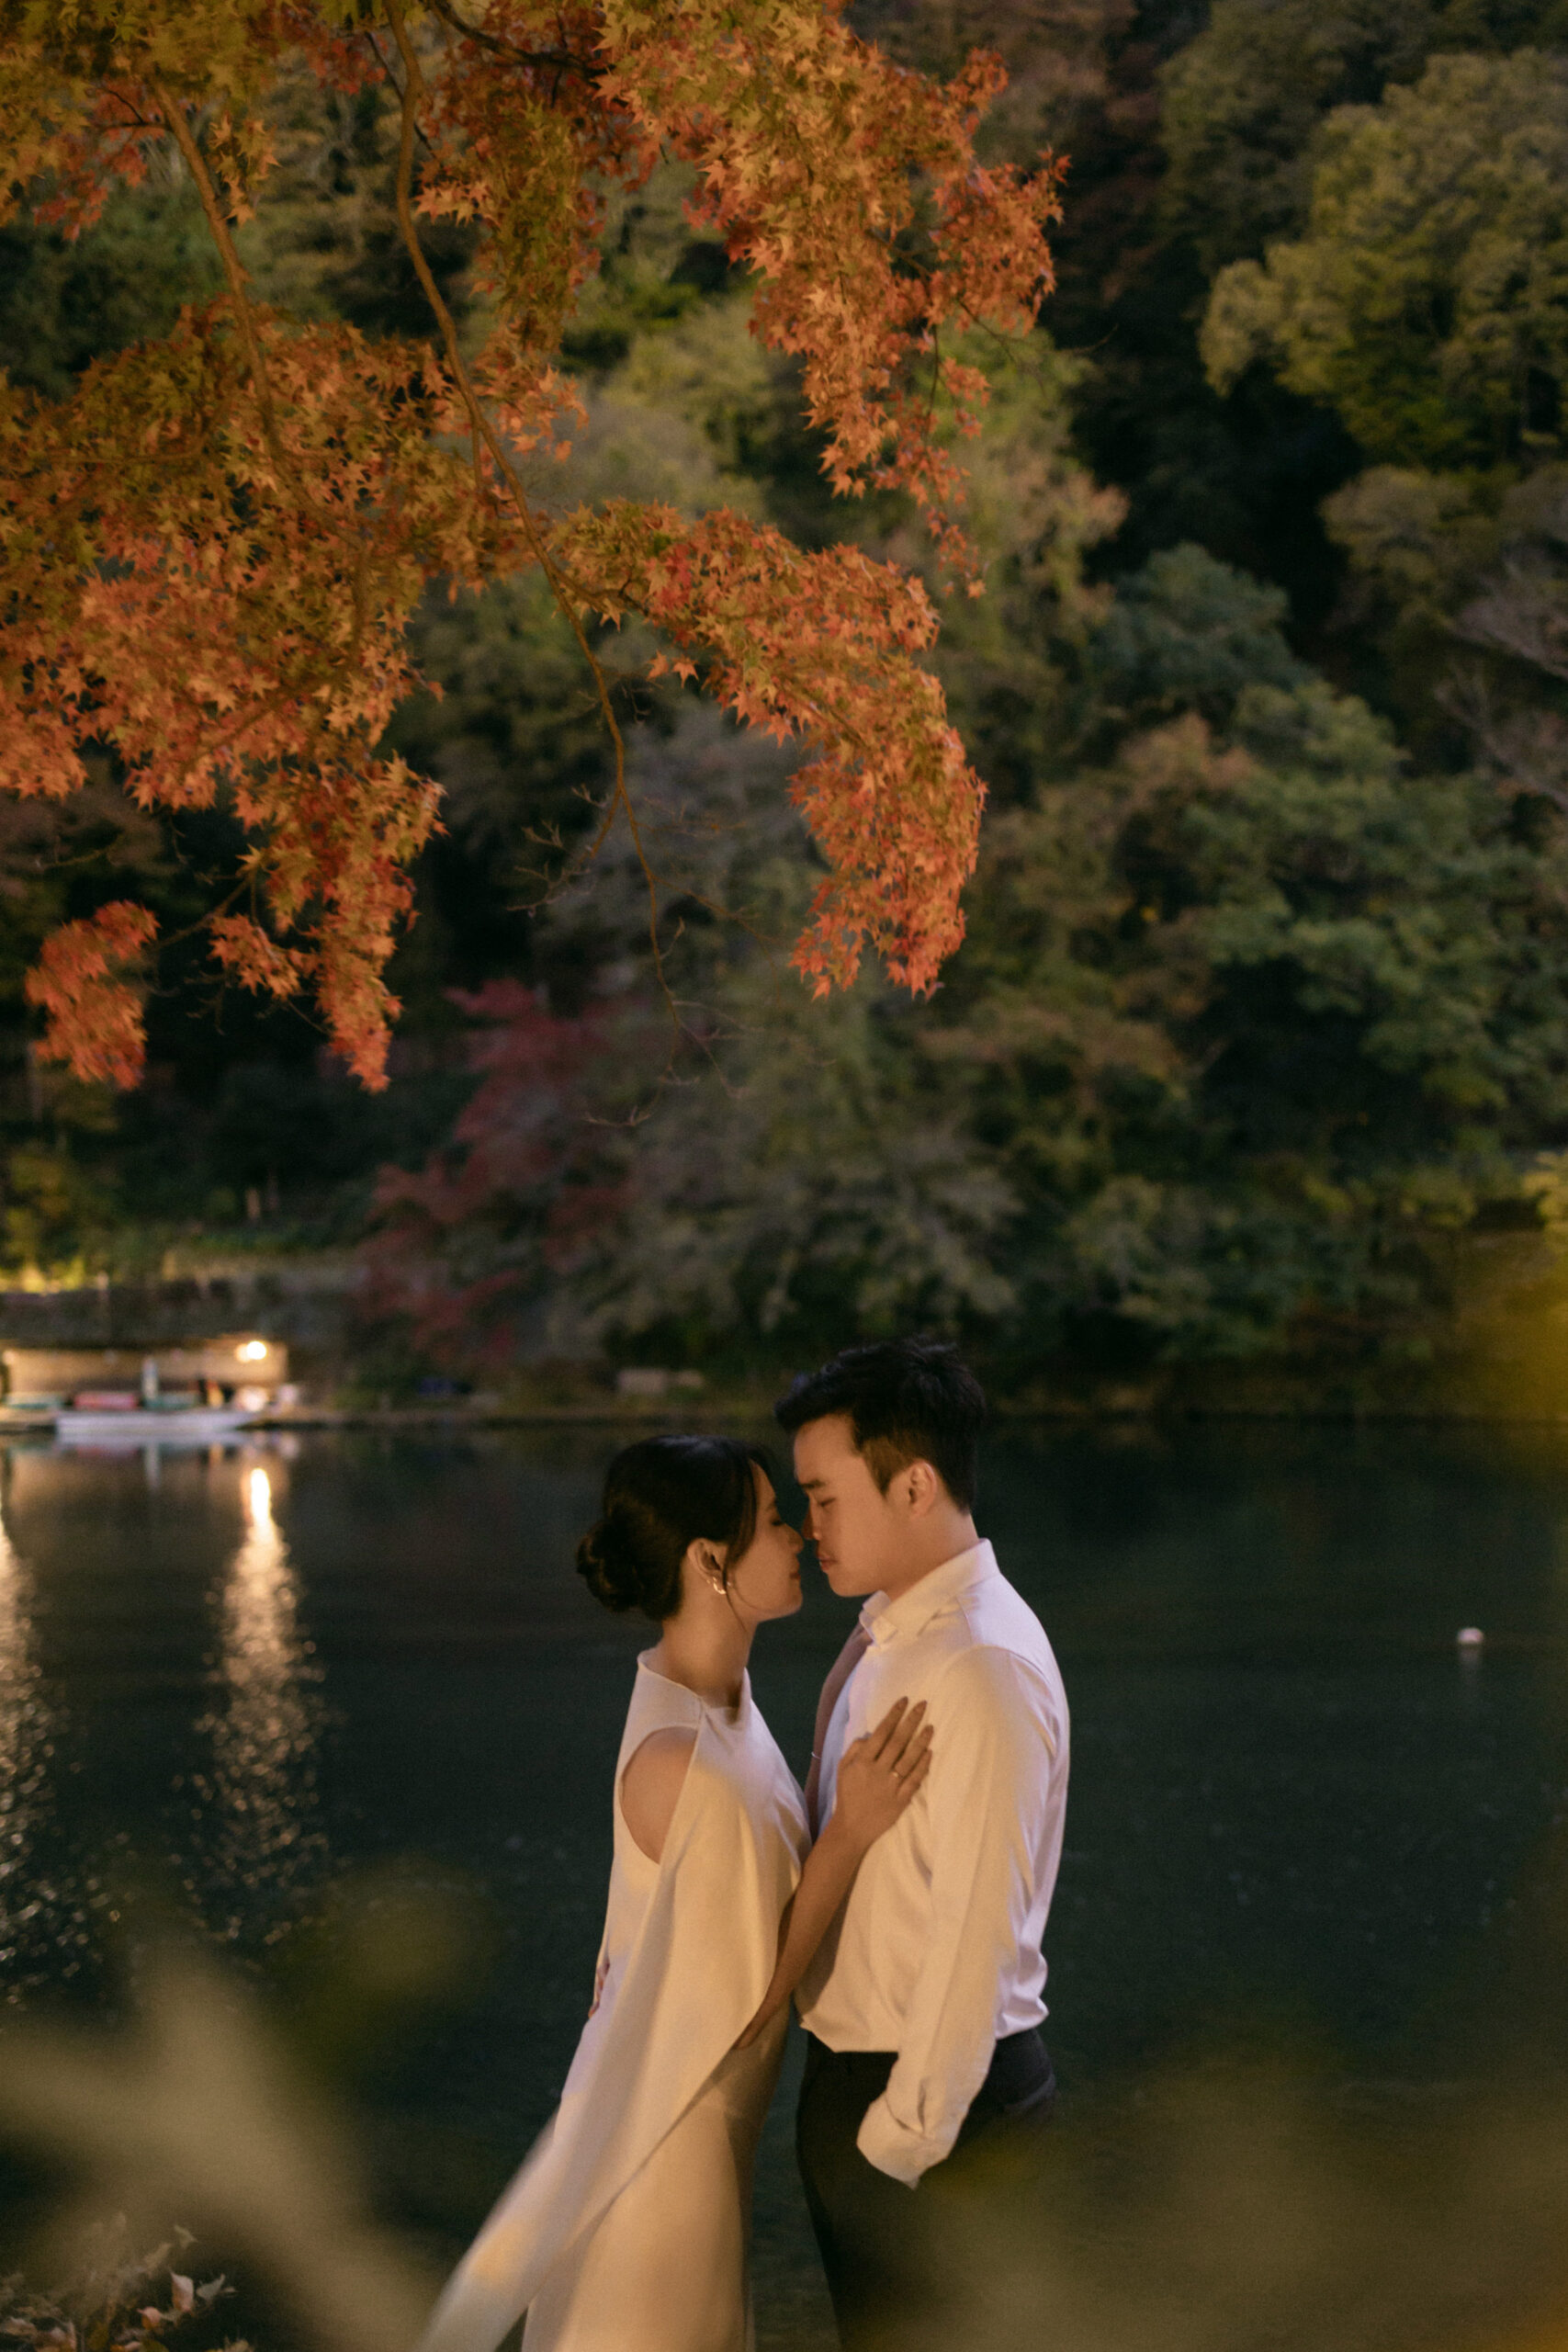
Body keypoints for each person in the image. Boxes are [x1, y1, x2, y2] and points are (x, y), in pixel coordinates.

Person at [415, 1433, 932, 2352]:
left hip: (690, 2135)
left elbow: (715, 1880)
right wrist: (850, 1832)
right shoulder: (684, 1760)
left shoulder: (706, 1695)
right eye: (771, 1520)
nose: (797, 1535)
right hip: (668, 2165)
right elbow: (749, 1999)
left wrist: (851, 1681)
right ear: (708, 1560)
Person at [751, 1340, 1070, 2352]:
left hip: (938, 2110)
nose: (809, 1525)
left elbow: (980, 1933)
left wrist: (896, 2144)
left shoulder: (980, 1665)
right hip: (859, 2079)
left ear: (916, 1486)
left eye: (825, 1498)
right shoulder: (894, 1630)